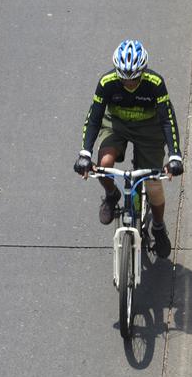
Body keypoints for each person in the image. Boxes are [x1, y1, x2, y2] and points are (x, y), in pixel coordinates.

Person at [73, 40, 183, 259]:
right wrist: (84, 153)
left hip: (149, 128)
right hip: (116, 124)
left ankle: (159, 227)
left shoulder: (155, 83)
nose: (129, 83)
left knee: (153, 184)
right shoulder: (106, 82)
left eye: (134, 78)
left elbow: (167, 120)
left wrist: (175, 156)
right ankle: (112, 195)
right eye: (124, 78)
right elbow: (94, 118)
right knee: (103, 166)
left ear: (142, 71)